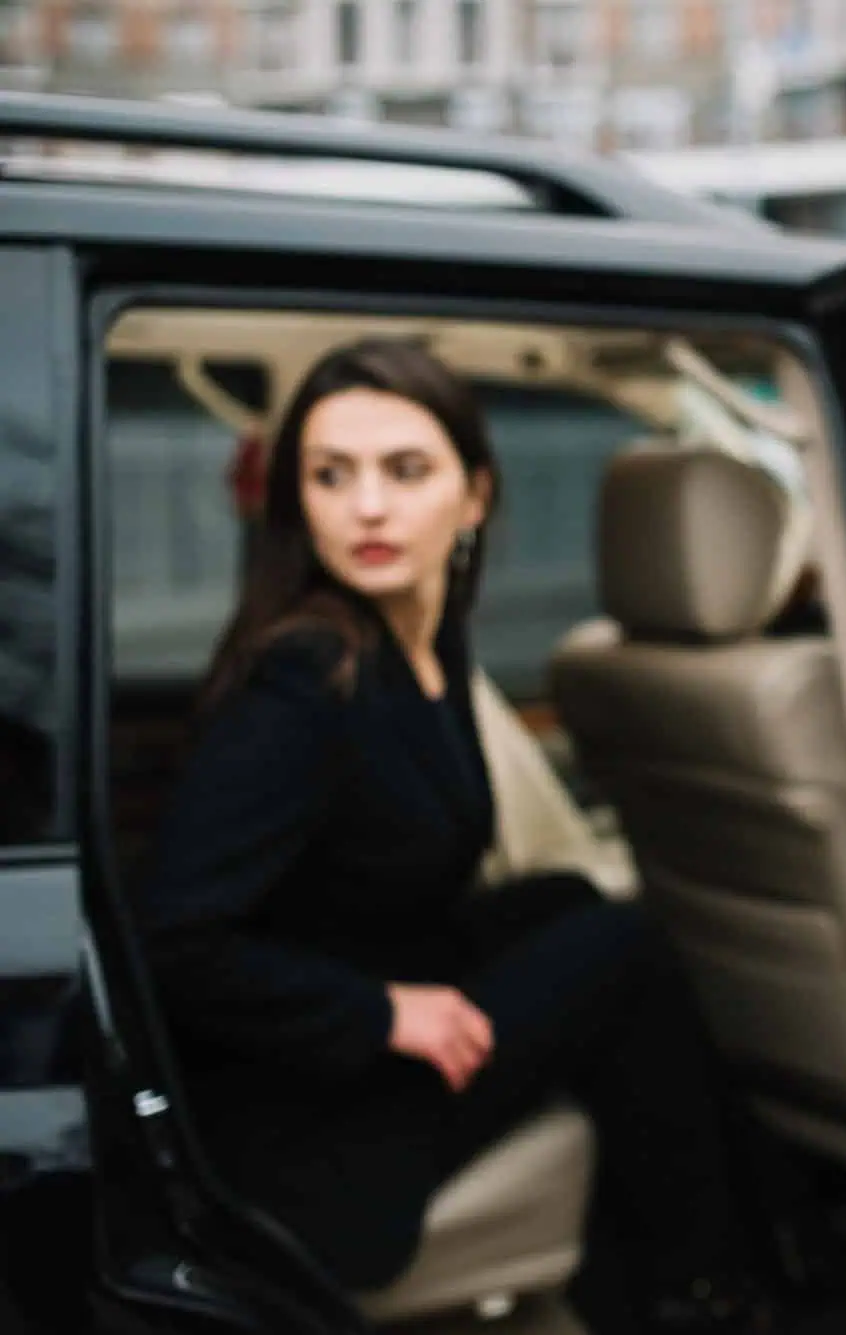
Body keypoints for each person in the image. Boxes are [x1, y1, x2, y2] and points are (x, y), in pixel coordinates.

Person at [136, 338, 784, 1334]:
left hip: (371, 993)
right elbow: (172, 939)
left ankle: (736, 1252)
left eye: (405, 471)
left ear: (473, 496)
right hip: (311, 1109)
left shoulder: (418, 640)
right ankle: (708, 1286)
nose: (367, 508)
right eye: (329, 476)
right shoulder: (304, 681)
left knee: (571, 906)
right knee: (623, 946)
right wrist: (380, 1013)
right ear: (297, 502)